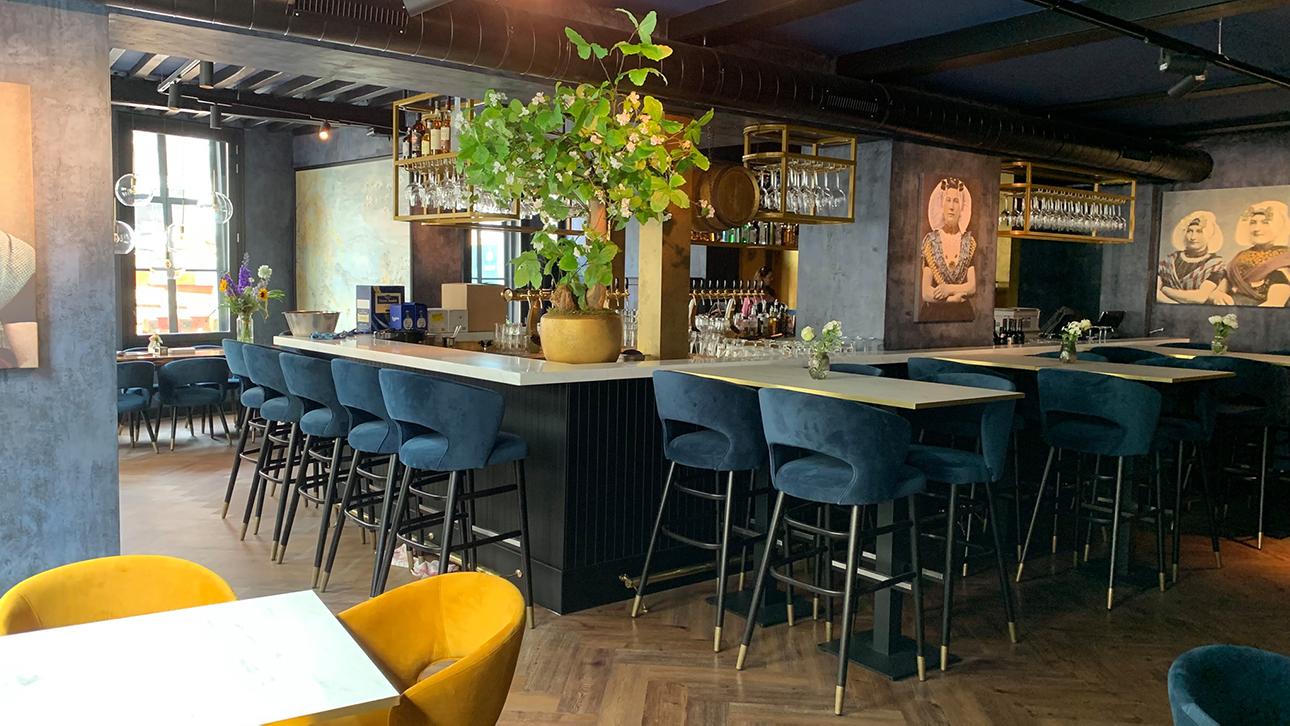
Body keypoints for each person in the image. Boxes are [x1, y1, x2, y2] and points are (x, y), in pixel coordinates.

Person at [919, 177, 977, 322]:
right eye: (948, 200)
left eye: (956, 201)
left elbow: (971, 287)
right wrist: (952, 300)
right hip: (933, 316)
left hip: (963, 317)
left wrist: (948, 289)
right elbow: (926, 293)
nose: (951, 207)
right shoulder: (931, 242)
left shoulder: (968, 242)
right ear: (941, 205)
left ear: (961, 207)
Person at [1216, 200, 1290, 307]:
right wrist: (1217, 296)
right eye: (1253, 223)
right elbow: (1219, 291)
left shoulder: (1284, 259)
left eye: (1265, 223)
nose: (1257, 229)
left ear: (1278, 226)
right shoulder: (1240, 257)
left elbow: (1274, 304)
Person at [1157, 211, 1229, 305]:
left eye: (1199, 231)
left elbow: (1200, 297)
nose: (1193, 237)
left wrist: (1165, 290)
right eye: (1189, 231)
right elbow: (1155, 293)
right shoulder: (1169, 261)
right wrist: (1175, 305)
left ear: (1208, 234)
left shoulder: (1216, 265)